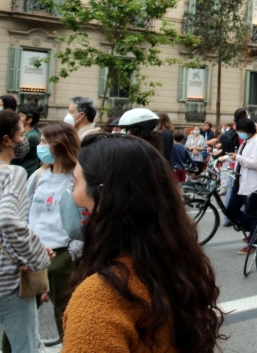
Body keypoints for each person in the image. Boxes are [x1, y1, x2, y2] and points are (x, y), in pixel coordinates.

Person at [61, 134, 224, 352]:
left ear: (102, 195)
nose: (70, 195)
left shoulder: (98, 299)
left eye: (74, 183)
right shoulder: (174, 266)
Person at [0, 109, 52, 352]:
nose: (24, 141)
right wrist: (38, 257)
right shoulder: (12, 174)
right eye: (21, 136)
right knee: (26, 347)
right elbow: (9, 222)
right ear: (6, 140)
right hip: (7, 282)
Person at [26, 121, 81, 341]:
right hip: (33, 255)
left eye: (43, 142)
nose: (38, 146)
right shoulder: (38, 176)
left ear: (56, 146)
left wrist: (73, 251)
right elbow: (25, 209)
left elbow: (85, 217)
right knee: (23, 318)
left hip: (62, 257)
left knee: (65, 317)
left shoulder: (76, 178)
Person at [226, 118, 257, 255]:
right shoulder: (246, 142)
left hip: (252, 183)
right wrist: (227, 158)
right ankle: (253, 230)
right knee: (231, 209)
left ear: (248, 131)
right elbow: (240, 158)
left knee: (251, 213)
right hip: (240, 180)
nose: (239, 134)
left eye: (241, 131)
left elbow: (255, 163)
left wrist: (237, 158)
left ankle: (253, 242)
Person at [13, 104, 41, 177]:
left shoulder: (31, 136)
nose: (18, 118)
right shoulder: (26, 133)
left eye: (21, 116)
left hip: (26, 171)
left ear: (29, 120)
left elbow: (16, 156)